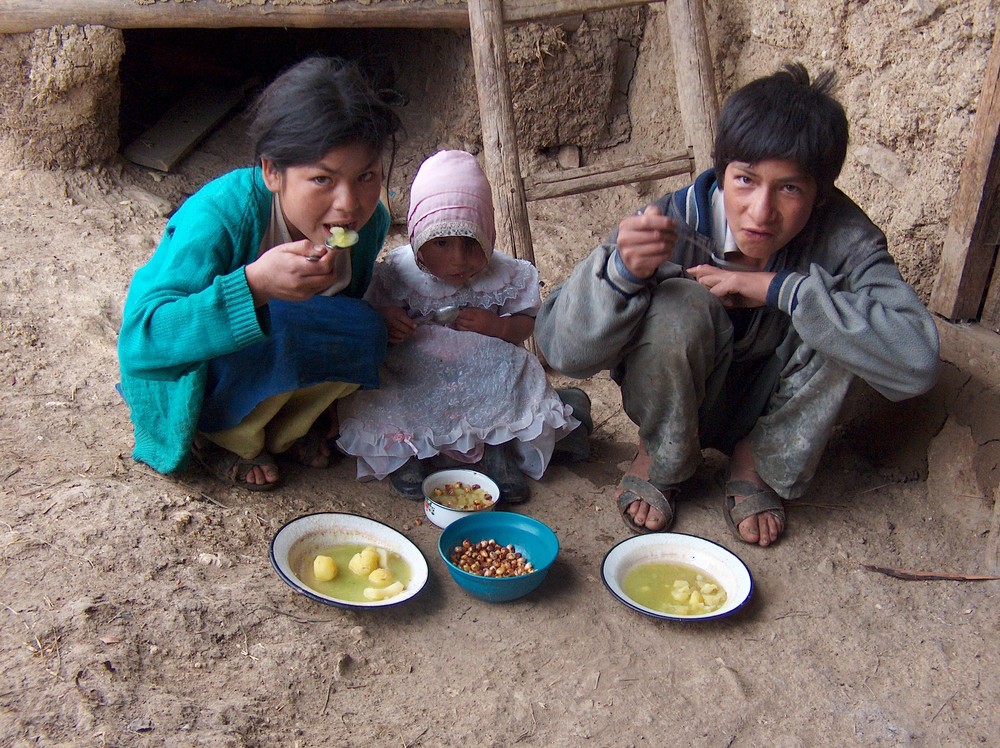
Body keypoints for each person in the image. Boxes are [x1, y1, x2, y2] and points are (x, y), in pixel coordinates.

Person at [534, 63, 940, 546]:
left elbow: (917, 362)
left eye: (789, 187)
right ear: (722, 172)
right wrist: (620, 273)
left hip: (781, 405)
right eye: (745, 180)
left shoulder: (844, 239)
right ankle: (664, 456)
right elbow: (561, 353)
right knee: (678, 306)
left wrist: (778, 289)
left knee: (841, 317)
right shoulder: (671, 222)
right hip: (681, 400)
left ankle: (759, 462)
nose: (761, 210)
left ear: (821, 194)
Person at [117, 56, 402, 491]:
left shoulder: (372, 222)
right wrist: (253, 286)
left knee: (365, 330)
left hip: (272, 361)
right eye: (323, 179)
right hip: (197, 381)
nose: (349, 203)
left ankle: (285, 430)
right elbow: (141, 343)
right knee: (286, 321)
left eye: (366, 176)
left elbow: (338, 315)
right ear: (272, 171)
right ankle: (220, 437)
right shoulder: (221, 216)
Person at [336, 150, 586, 503]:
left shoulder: (506, 275)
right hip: (418, 366)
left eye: (471, 244)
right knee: (392, 386)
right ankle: (408, 452)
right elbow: (376, 310)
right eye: (441, 243)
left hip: (485, 369)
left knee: (513, 368)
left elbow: (525, 324)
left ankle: (499, 450)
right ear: (418, 238)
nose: (458, 259)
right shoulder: (398, 272)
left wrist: (497, 328)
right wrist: (390, 322)